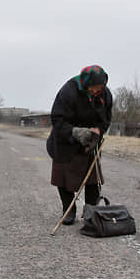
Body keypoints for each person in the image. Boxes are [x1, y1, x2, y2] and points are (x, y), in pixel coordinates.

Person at [46, 65, 113, 225]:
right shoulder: (68, 92)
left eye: (100, 88)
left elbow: (106, 119)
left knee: (92, 181)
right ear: (85, 84)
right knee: (64, 179)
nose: (97, 92)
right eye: (94, 89)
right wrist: (76, 132)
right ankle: (68, 209)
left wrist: (99, 130)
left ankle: (90, 211)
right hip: (66, 140)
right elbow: (57, 120)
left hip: (91, 141)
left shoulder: (106, 94)